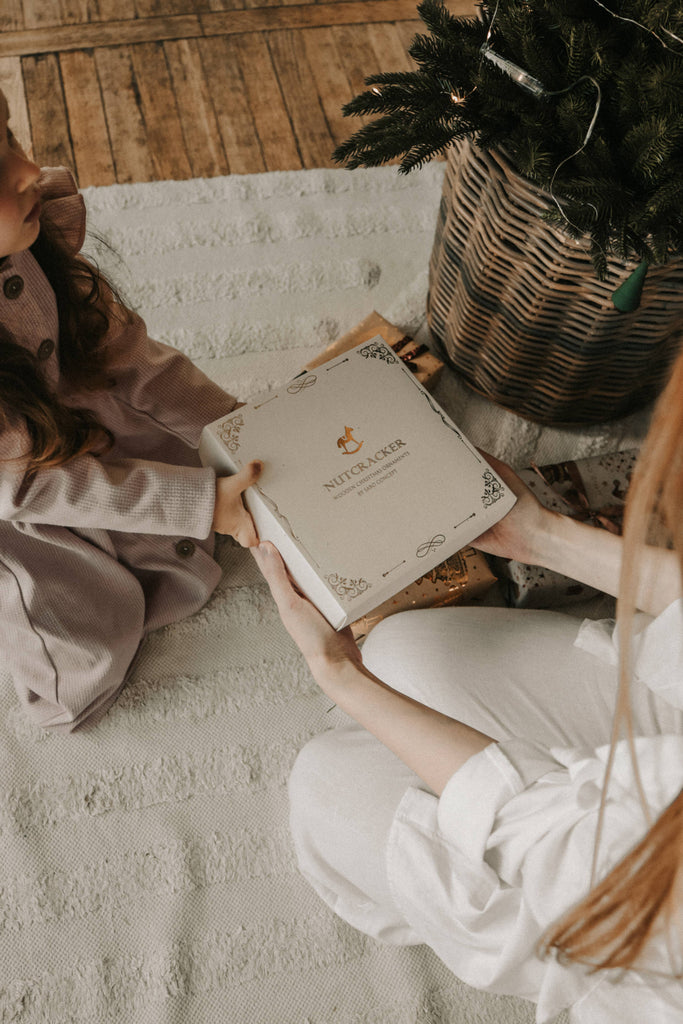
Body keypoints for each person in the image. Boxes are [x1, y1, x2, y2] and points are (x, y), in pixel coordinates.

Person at [252, 342, 683, 1021]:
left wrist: (339, 677)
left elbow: (526, 826)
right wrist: (537, 535)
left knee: (325, 782)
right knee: (403, 651)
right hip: (653, 774)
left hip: (623, 918)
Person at [0, 90, 261, 731]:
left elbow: (134, 357)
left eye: (8, 137)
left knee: (174, 457)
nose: (29, 168)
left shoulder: (30, 245)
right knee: (83, 650)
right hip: (18, 492)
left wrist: (236, 427)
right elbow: (31, 485)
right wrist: (201, 502)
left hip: (59, 426)